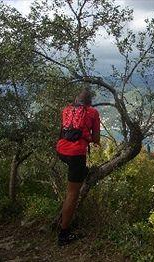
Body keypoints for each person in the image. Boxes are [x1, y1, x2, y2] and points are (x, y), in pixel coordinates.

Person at [56, 88, 100, 246]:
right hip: (76, 154)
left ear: (76, 100)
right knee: (72, 194)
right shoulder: (92, 112)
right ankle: (63, 235)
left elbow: (63, 131)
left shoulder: (67, 109)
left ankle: (83, 172)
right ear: (90, 103)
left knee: (79, 173)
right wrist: (91, 138)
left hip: (61, 150)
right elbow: (95, 139)